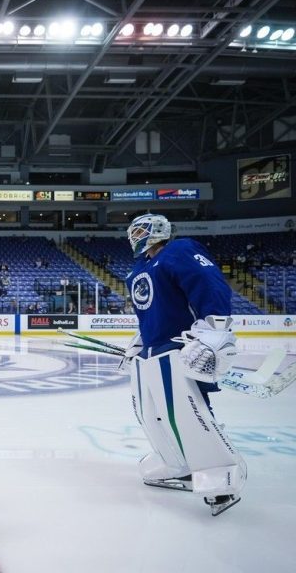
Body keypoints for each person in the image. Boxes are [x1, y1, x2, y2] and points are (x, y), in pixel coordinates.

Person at [123, 213, 243, 516]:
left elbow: (209, 284)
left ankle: (219, 473)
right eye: (133, 229)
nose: (135, 234)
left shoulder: (179, 251)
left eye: (141, 229)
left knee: (188, 410)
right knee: (150, 412)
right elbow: (155, 310)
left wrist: (215, 329)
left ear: (158, 230)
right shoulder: (140, 268)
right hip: (153, 350)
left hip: (180, 346)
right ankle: (175, 461)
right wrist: (141, 339)